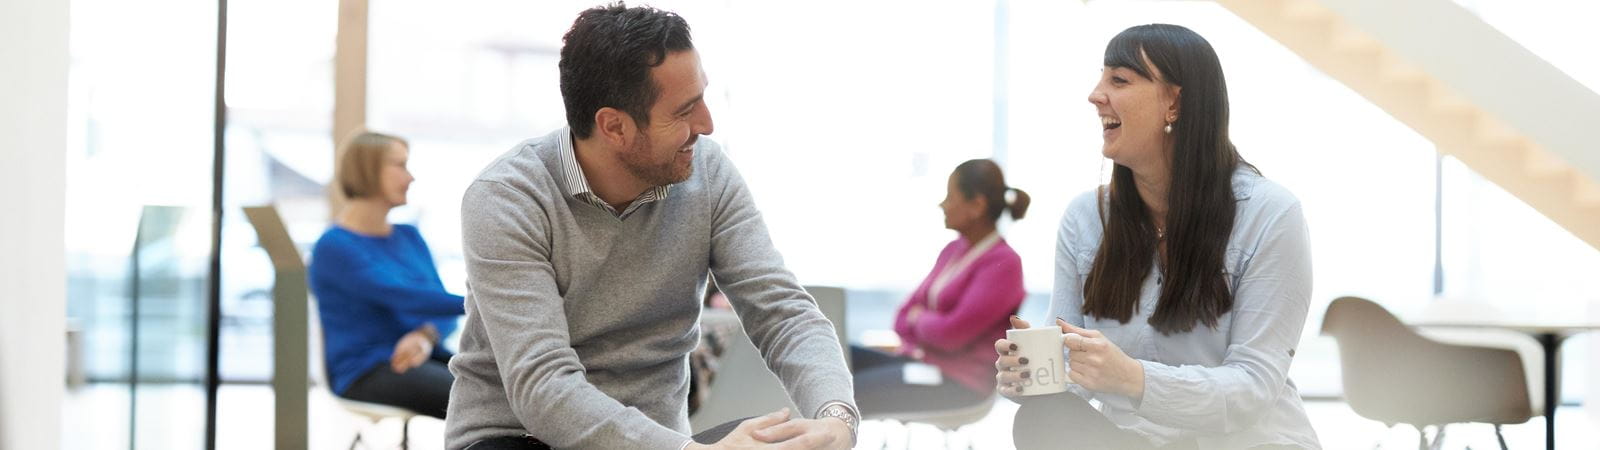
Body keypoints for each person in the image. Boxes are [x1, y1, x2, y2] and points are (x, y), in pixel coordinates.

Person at [444, 3, 856, 450]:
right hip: (520, 437)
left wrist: (835, 418)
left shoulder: (707, 172)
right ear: (614, 127)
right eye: (684, 111)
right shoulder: (507, 198)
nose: (707, 124)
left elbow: (783, 314)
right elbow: (543, 387)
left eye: (703, 97)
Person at [994, 24, 1320, 449]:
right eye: (1101, 77)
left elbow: (1253, 388)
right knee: (1044, 416)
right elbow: (1073, 368)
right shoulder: (1086, 218)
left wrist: (1134, 379)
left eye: (1120, 79)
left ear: (1175, 102)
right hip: (1136, 441)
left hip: (1248, 442)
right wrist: (1035, 373)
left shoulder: (1270, 213)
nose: (1096, 95)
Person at [851, 159, 1029, 415]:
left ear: (976, 205)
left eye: (950, 196)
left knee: (847, 391)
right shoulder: (952, 250)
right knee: (838, 358)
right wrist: (924, 323)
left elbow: (951, 336)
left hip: (960, 383)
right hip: (922, 363)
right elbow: (902, 316)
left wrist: (919, 319)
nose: (942, 204)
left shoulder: (1004, 263)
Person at [308, 131, 465, 419]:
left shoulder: (410, 236)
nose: (410, 178)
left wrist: (424, 336)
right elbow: (403, 296)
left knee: (508, 390)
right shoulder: (335, 246)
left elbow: (439, 310)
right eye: (400, 166)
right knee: (483, 403)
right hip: (367, 369)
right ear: (366, 171)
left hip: (423, 355)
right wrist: (484, 298)